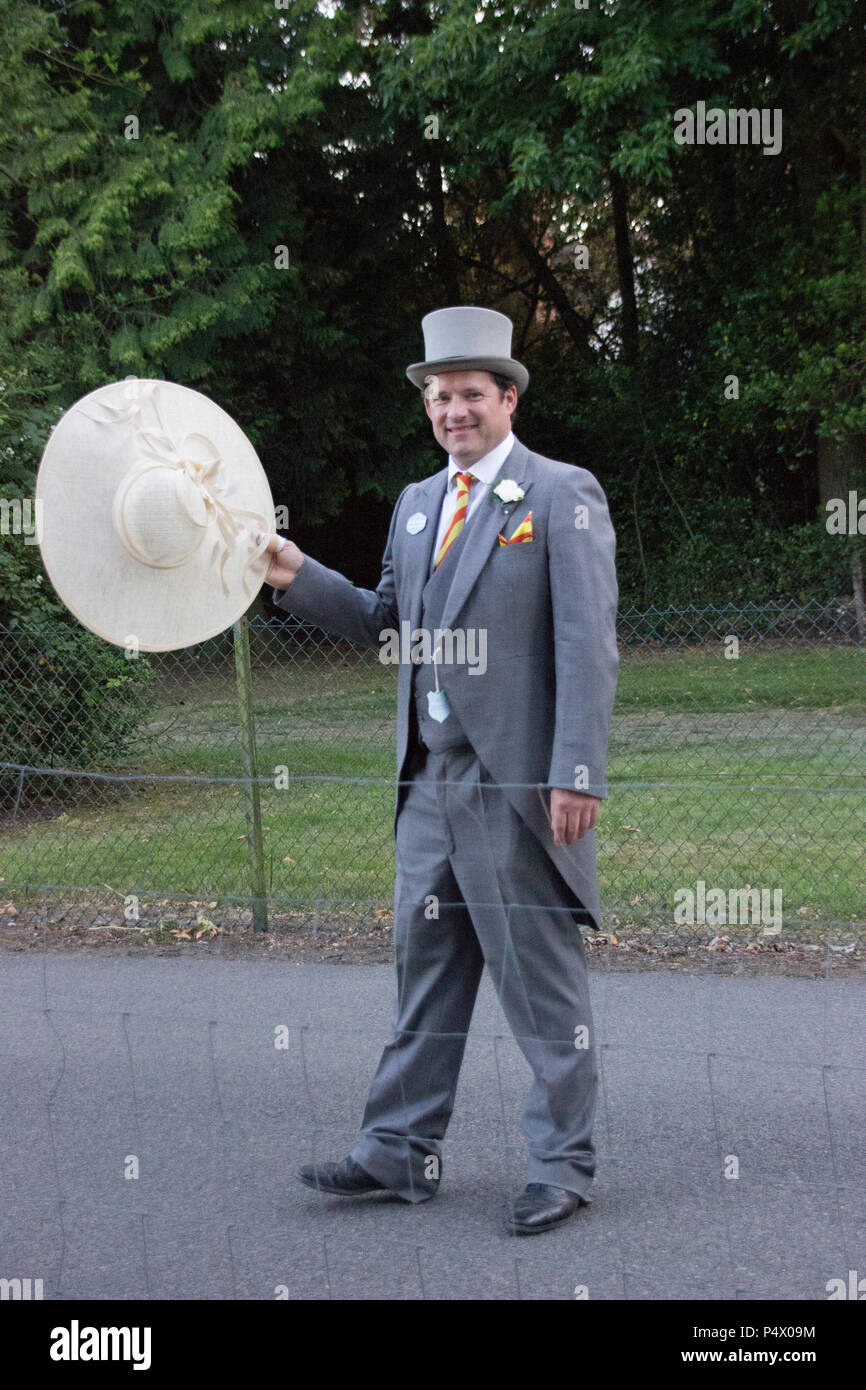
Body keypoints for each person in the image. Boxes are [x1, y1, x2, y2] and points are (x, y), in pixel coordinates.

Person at [261, 306, 619, 1234]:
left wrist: (576, 768)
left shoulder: (559, 494)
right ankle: (397, 1153)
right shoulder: (418, 505)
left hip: (516, 786)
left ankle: (562, 1167)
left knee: (541, 987)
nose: (454, 411)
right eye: (439, 396)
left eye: (471, 394)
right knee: (423, 975)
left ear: (507, 398)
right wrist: (294, 572)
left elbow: (588, 644)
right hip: (427, 785)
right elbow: (388, 623)